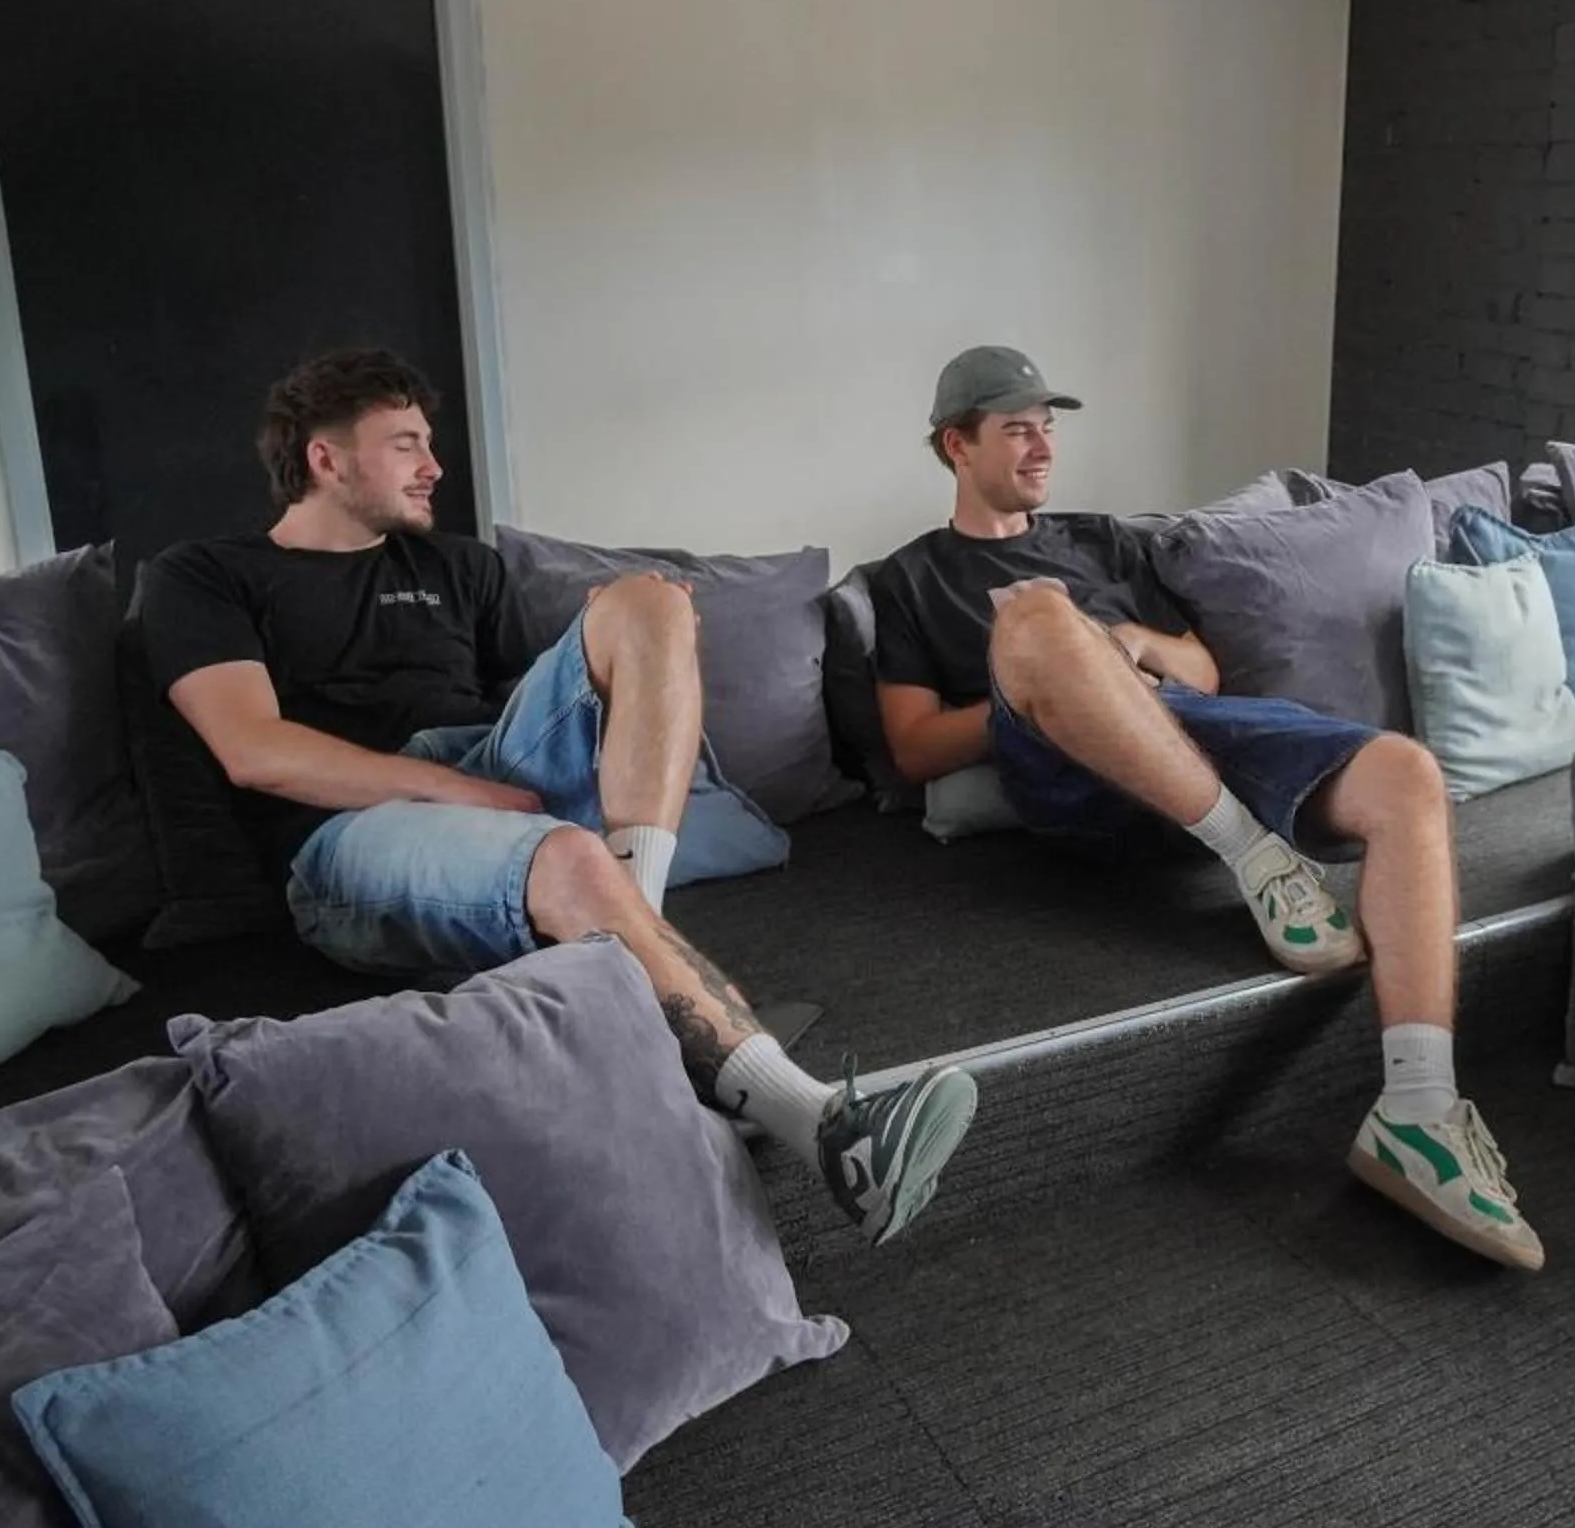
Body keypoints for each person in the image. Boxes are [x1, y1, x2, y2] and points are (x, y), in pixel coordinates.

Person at [139, 348, 975, 1246]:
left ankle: (630, 962)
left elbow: (543, 717)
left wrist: (607, 676)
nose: (434, 466)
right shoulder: (205, 575)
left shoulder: (460, 568)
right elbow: (253, 750)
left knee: (651, 602)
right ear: (325, 458)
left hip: (490, 776)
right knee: (570, 857)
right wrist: (460, 791)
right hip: (348, 833)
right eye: (406, 444)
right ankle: (828, 1131)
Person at [863, 344, 1542, 1271]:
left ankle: (1418, 1112)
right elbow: (913, 748)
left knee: (1406, 774)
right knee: (1037, 617)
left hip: (1193, 726)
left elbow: (1203, 672)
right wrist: (1060, 676)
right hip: (1064, 765)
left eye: (1048, 428)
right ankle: (1255, 853)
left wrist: (1128, 646)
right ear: (957, 444)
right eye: (1018, 430)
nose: (1043, 447)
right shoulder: (910, 577)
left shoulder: (1103, 539)